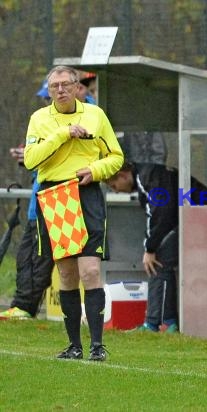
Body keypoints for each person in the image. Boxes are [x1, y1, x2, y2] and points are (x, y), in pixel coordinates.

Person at [24, 66, 124, 361]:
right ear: (49, 90)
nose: (60, 90)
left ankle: (97, 345)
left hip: (86, 193)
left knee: (91, 270)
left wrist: (95, 170)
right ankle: (73, 346)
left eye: (66, 84)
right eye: (54, 86)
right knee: (66, 273)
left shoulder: (95, 115)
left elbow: (116, 156)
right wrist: (63, 134)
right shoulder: (39, 120)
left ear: (78, 87)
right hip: (55, 196)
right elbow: (31, 160)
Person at [105, 161, 207, 333]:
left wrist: (150, 249)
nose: (116, 190)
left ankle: (159, 323)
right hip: (196, 215)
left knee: (158, 262)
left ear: (123, 175)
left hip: (202, 215)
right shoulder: (149, 174)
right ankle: (166, 320)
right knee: (162, 260)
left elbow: (159, 213)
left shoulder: (146, 178)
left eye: (114, 185)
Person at [0, 81, 56, 320]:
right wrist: (26, 157)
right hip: (38, 202)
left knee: (37, 257)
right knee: (26, 255)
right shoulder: (43, 120)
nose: (46, 102)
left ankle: (25, 307)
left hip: (52, 204)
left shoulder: (83, 117)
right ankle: (22, 305)